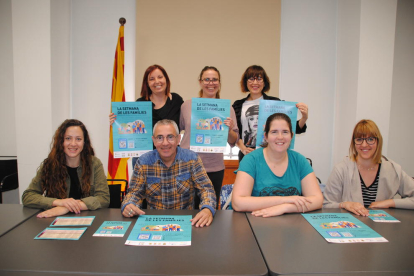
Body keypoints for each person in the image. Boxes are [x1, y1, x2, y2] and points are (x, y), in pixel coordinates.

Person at [121, 119, 217, 227]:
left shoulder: (192, 159)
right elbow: (134, 192)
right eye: (160, 138)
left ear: (178, 139)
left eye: (170, 137)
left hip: (186, 222)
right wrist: (129, 205)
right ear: (154, 140)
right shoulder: (143, 162)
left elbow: (206, 189)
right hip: (153, 223)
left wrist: (207, 209)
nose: (165, 143)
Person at [232, 113, 323, 217]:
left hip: (292, 224)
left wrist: (285, 207)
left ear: (291, 136)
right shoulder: (251, 160)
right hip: (256, 220)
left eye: (285, 132)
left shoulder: (300, 161)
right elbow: (238, 203)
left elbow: (317, 200)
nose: (280, 137)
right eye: (274, 132)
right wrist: (286, 199)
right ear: (266, 136)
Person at [323, 119, 414, 216]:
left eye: (370, 139)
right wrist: (344, 204)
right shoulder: (341, 169)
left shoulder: (393, 169)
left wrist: (390, 203)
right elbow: (326, 205)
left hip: (382, 229)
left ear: (378, 141)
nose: (364, 145)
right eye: (359, 140)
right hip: (349, 227)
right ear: (354, 143)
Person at [22, 119, 110, 218]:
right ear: (61, 141)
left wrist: (67, 207)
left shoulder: (94, 163)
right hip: (54, 221)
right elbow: (28, 196)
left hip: (87, 220)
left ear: (84, 142)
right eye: (68, 138)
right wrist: (59, 202)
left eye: (78, 139)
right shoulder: (50, 164)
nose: (73, 144)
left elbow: (103, 199)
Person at [180, 66, 239, 207]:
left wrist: (229, 129)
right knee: (186, 208)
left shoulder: (227, 109)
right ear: (200, 82)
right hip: (188, 166)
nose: (210, 83)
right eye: (207, 79)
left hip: (214, 167)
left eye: (214, 80)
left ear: (219, 83)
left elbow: (233, 140)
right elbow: (178, 130)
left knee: (210, 208)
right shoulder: (187, 105)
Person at [109, 64, 184, 164]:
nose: (157, 81)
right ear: (147, 83)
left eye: (160, 77)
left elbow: (185, 123)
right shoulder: (140, 104)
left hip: (171, 157)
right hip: (145, 159)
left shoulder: (176, 100)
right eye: (152, 79)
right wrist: (116, 121)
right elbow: (130, 128)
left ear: (166, 79)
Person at [233, 65, 309, 161]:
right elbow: (235, 132)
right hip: (247, 156)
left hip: (272, 154)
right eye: (251, 79)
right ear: (246, 82)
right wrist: (243, 148)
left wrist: (304, 117)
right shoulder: (238, 105)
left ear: (265, 83)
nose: (255, 82)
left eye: (259, 79)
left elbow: (293, 128)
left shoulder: (275, 103)